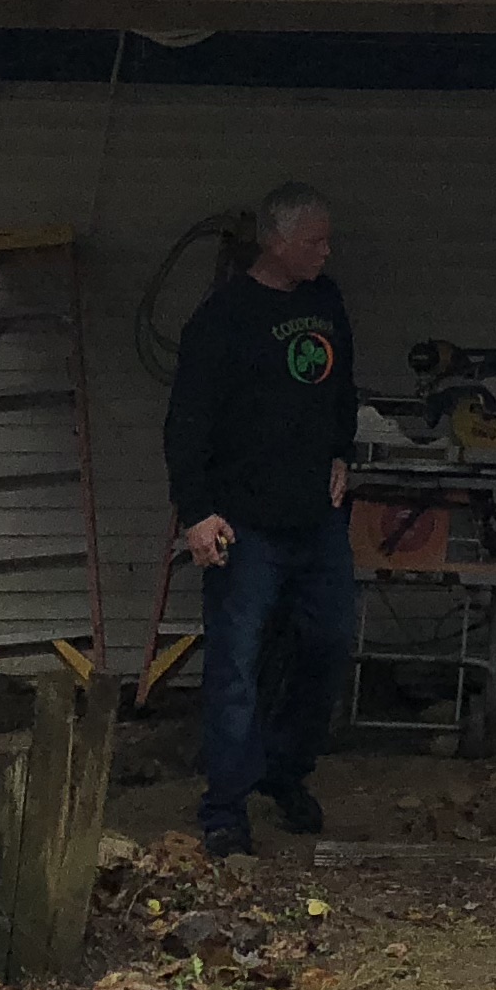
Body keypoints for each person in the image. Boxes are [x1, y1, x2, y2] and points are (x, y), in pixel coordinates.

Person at [164, 179, 360, 857]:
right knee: (237, 664)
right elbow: (186, 422)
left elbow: (342, 387)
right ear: (276, 243)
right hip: (243, 523)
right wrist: (196, 513)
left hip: (316, 516)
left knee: (329, 644)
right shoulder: (222, 318)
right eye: (314, 242)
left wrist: (341, 452)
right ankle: (225, 807)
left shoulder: (325, 301)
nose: (325, 253)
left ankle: (287, 770)